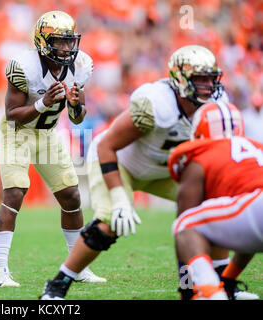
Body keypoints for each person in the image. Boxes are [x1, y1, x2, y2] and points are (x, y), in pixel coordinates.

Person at [40, 45, 257, 300]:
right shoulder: (156, 103)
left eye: (211, 78)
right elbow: (108, 145)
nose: (208, 85)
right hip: (121, 164)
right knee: (110, 223)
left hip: (166, 170)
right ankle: (58, 284)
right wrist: (120, 197)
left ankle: (222, 284)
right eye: (200, 78)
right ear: (179, 78)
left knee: (212, 208)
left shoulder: (215, 105)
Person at [0, 10, 106, 287]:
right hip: (16, 132)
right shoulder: (24, 66)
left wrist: (76, 105)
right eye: (59, 41)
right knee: (15, 194)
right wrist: (44, 103)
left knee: (71, 195)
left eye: (69, 41)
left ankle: (76, 268)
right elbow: (12, 113)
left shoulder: (80, 66)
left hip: (46, 134)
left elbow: (78, 117)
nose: (66, 48)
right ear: (42, 41)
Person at [169, 101, 263, 299]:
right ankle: (223, 285)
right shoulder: (255, 148)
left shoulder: (202, 154)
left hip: (257, 208)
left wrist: (187, 287)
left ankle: (210, 291)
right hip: (256, 209)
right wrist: (228, 280)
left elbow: (185, 224)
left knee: (185, 224)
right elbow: (250, 235)